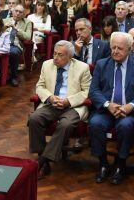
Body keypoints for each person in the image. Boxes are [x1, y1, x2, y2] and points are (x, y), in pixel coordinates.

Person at [88, 32, 134, 185]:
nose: (115, 51)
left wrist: (131, 106)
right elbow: (93, 91)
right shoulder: (102, 64)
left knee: (125, 125)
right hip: (106, 110)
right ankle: (103, 162)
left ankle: (120, 164)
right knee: (95, 123)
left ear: (129, 49)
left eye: (120, 48)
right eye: (113, 47)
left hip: (128, 111)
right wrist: (107, 105)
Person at [29, 41, 92, 179]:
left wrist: (68, 101)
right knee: (34, 119)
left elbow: (87, 91)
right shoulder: (47, 65)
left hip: (72, 105)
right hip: (52, 103)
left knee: (66, 124)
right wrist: (50, 98)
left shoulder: (82, 67)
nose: (55, 57)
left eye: (60, 55)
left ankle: (42, 162)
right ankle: (42, 158)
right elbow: (39, 87)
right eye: (54, 53)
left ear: (70, 57)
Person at [2, 4, 32, 86]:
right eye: (16, 11)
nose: (18, 13)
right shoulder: (5, 20)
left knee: (13, 52)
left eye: (20, 12)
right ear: (13, 11)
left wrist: (16, 29)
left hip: (16, 44)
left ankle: (13, 77)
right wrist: (4, 28)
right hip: (3, 43)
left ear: (23, 14)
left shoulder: (27, 22)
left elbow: (28, 37)